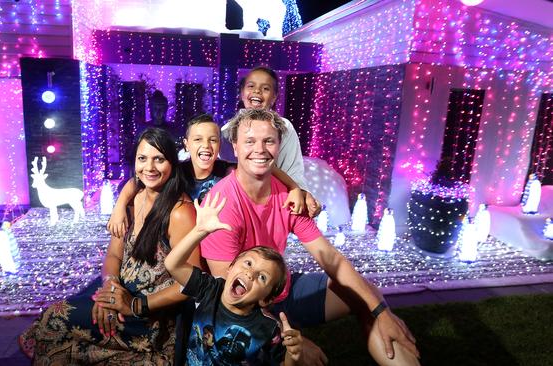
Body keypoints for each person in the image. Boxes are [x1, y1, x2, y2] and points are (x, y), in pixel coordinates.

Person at [201, 109, 420, 366]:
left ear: (280, 146)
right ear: (235, 148)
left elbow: (330, 259)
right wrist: (285, 337)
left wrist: (381, 311)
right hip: (242, 304)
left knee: (367, 295)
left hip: (281, 289)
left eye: (268, 141)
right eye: (250, 141)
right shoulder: (222, 204)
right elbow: (228, 295)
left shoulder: (289, 196)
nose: (259, 149)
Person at [19, 128, 199, 364]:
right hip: (119, 292)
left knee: (54, 320)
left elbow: (193, 282)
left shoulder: (180, 212)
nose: (150, 167)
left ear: (173, 163)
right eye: (142, 159)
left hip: (148, 316)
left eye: (159, 159)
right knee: (50, 334)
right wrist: (111, 288)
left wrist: (134, 305)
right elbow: (114, 254)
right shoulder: (135, 198)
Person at [107, 113, 307, 239]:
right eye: (198, 139)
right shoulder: (177, 171)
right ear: (186, 144)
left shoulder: (228, 171)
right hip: (183, 244)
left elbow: (268, 168)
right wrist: (119, 206)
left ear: (220, 145)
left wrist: (294, 188)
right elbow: (137, 182)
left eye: (213, 140)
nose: (206, 146)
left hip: (219, 244)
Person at [164, 192, 303, 365]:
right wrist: (199, 231)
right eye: (248, 263)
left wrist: (293, 356)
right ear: (230, 268)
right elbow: (172, 264)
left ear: (266, 299)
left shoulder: (268, 329)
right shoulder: (210, 289)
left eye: (262, 277)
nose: (250, 273)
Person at [220, 66, 321, 217]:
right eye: (251, 86)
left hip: (275, 203)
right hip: (236, 204)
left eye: (265, 88)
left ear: (274, 97)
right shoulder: (227, 131)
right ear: (242, 93)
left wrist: (301, 191)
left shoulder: (285, 127)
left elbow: (293, 169)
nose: (257, 91)